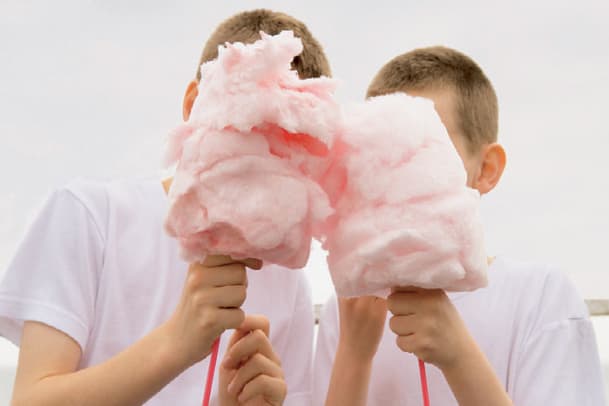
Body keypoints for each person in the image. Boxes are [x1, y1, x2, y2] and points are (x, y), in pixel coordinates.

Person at [0, 9, 331, 405]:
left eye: (290, 146)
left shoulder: (289, 282)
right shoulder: (92, 216)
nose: (265, 156)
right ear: (193, 104)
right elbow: (30, 399)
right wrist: (176, 343)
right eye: (251, 129)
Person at [314, 46, 606, 405]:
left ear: (486, 169)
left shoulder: (541, 297)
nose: (401, 171)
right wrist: (354, 357)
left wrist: (458, 355)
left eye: (428, 147)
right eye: (384, 149)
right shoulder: (344, 310)